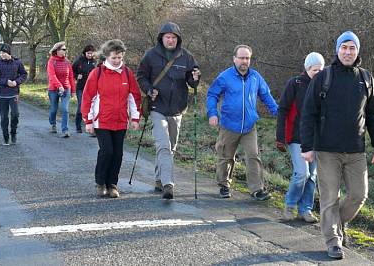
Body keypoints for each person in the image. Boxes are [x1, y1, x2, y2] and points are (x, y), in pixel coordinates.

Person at [300, 31, 374, 260]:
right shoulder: (323, 78)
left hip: (356, 150)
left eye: (352, 48)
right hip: (327, 150)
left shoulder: (366, 79)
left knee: (359, 195)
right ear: (337, 50)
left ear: (358, 51)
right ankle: (333, 241)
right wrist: (307, 146)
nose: (348, 52)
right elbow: (308, 113)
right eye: (344, 47)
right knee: (329, 198)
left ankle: (335, 223)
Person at [136, 22, 201, 199]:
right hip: (157, 106)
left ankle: (158, 179)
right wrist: (149, 89)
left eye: (173, 37)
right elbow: (141, 76)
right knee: (163, 145)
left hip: (177, 108)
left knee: (171, 147)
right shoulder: (151, 55)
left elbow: (192, 81)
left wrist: (195, 78)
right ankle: (168, 184)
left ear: (178, 39)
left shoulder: (186, 57)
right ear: (161, 38)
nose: (170, 40)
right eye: (167, 37)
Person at [206, 45, 278, 201]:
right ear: (234, 59)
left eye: (247, 58)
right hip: (229, 125)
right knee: (226, 157)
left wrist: (278, 113)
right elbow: (212, 95)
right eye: (241, 58)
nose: (244, 61)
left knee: (253, 156)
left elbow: (266, 96)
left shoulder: (255, 77)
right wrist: (212, 114)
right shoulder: (225, 77)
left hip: (249, 126)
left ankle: (257, 190)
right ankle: (224, 185)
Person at [81, 39, 141, 199]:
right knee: (106, 151)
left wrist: (135, 117)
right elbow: (88, 97)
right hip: (102, 121)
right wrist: (88, 120)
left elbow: (133, 96)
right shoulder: (97, 73)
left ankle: (112, 184)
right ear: (106, 56)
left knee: (118, 154)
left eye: (119, 58)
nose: (117, 61)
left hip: (120, 120)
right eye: (114, 58)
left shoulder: (127, 73)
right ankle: (100, 182)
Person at [276, 52, 325, 223]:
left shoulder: (324, 86)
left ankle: (306, 209)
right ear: (307, 68)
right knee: (301, 173)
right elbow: (282, 109)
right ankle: (290, 206)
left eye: (320, 70)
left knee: (312, 175)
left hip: (316, 139)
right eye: (314, 70)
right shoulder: (295, 84)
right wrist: (280, 137)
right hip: (296, 137)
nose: (318, 73)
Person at [0, 43, 28, 145]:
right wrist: (6, 82)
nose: (2, 55)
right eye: (1, 53)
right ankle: (5, 136)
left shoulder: (17, 62)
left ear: (9, 53)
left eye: (4, 53)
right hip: (1, 94)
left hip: (14, 93)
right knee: (4, 117)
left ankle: (13, 133)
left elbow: (24, 74)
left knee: (15, 114)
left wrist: (16, 82)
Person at [47, 41, 76, 137]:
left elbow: (71, 76)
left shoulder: (67, 62)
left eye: (65, 49)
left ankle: (65, 130)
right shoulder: (51, 61)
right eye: (63, 49)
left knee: (65, 109)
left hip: (66, 88)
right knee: (53, 109)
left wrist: (73, 90)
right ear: (57, 50)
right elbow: (52, 76)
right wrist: (59, 86)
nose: (65, 51)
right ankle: (53, 124)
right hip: (54, 89)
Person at [72, 44, 96, 134]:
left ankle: (92, 128)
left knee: (93, 107)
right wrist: (77, 75)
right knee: (81, 106)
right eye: (88, 53)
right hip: (81, 87)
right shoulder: (79, 61)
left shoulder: (95, 62)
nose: (90, 55)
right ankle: (78, 126)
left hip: (92, 88)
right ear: (85, 53)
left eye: (91, 53)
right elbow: (71, 70)